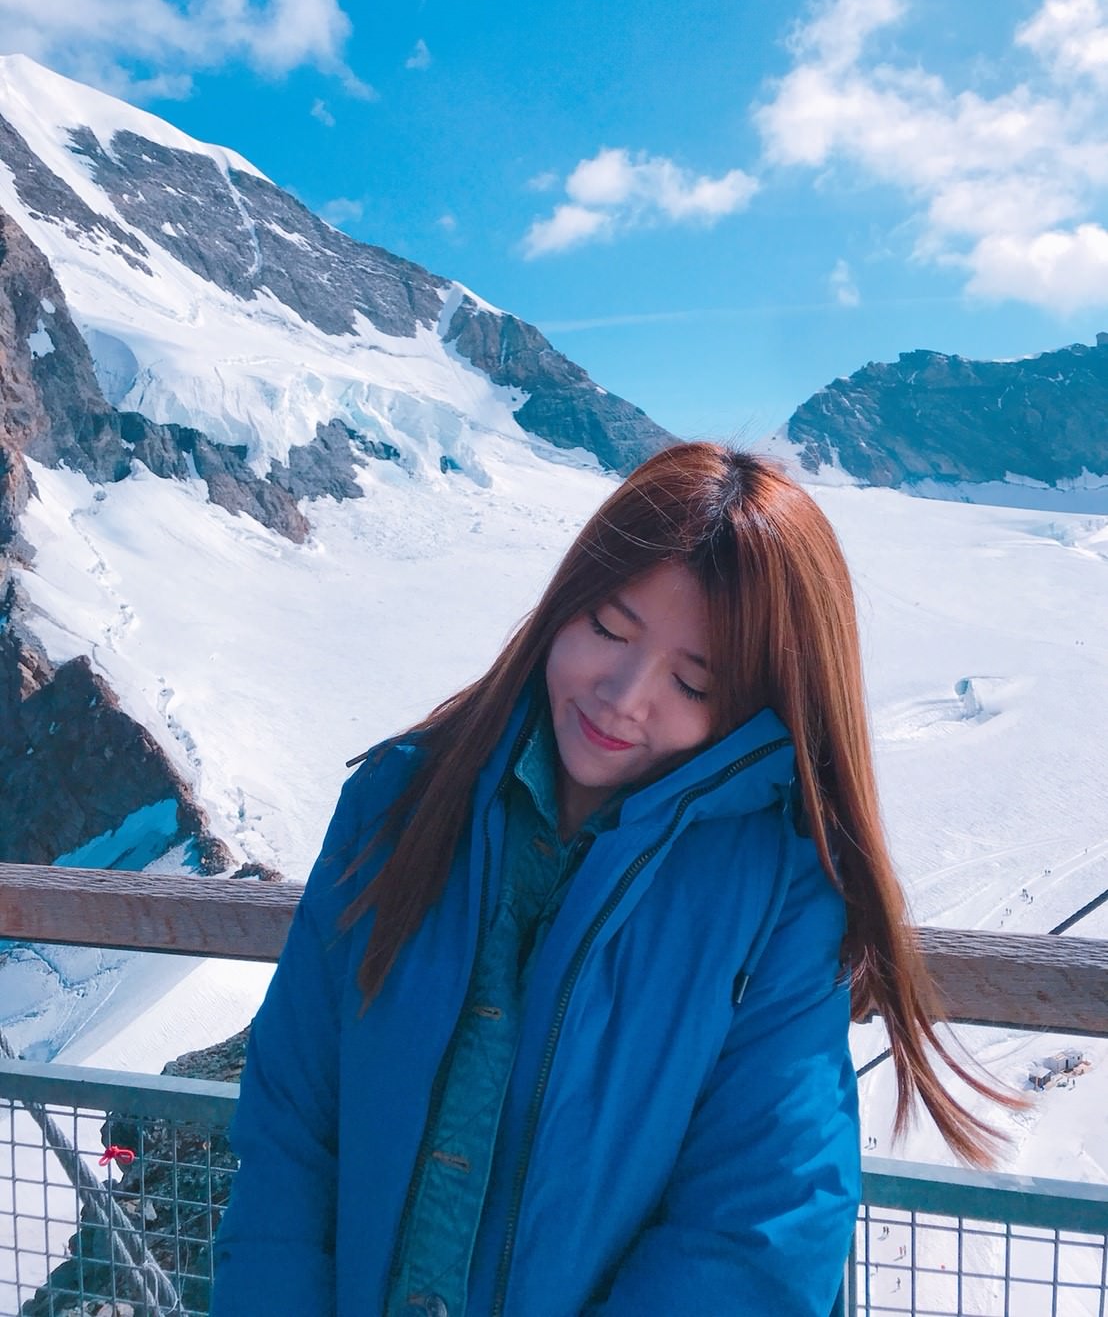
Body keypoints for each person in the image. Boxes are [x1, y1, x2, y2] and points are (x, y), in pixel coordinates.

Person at [211, 442, 1010, 1317]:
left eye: (693, 682)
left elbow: (758, 1235)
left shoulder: (779, 900)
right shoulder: (397, 801)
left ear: (758, 704)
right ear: (564, 605)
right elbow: (291, 1129)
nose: (625, 696)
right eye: (608, 630)